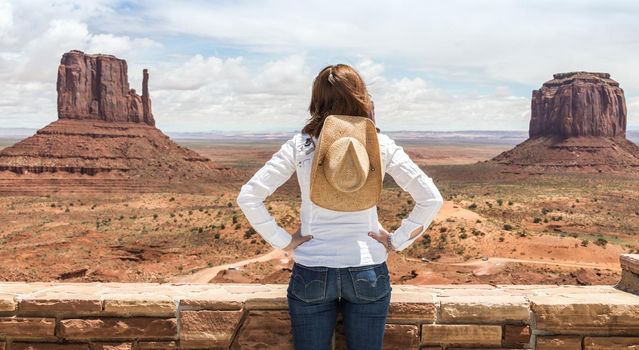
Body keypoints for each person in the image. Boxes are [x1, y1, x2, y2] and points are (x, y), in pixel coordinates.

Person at [236, 64, 444, 350]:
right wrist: (397, 240)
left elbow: (249, 196)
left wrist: (284, 241)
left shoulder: (301, 146)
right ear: (361, 96)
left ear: (317, 100)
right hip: (367, 269)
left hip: (312, 269)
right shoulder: (380, 146)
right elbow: (431, 198)